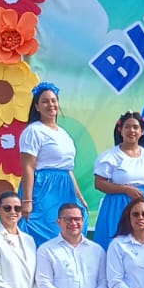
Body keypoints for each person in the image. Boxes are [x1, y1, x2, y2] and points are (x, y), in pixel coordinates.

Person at [20, 82, 87, 246]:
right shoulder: (34, 131)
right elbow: (28, 166)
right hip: (44, 188)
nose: (50, 104)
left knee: (70, 229)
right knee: (47, 232)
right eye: (45, 101)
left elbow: (67, 168)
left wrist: (79, 196)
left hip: (65, 187)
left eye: (53, 100)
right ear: (37, 106)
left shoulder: (63, 133)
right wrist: (27, 201)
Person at [91, 111, 144, 246]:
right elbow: (99, 183)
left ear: (142, 131)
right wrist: (125, 189)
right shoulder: (110, 156)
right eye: (127, 127)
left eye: (135, 127)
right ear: (120, 130)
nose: (132, 131)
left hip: (143, 206)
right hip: (117, 206)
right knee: (116, 242)